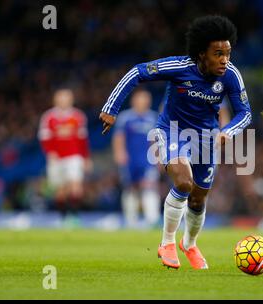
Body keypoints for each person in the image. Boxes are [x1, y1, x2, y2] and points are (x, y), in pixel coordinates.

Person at [99, 15, 252, 269]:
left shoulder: (231, 75)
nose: (225, 60)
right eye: (218, 53)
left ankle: (189, 244)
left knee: (198, 199)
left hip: (206, 139)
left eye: (227, 53)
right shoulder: (179, 66)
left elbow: (244, 112)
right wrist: (111, 107)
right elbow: (137, 72)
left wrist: (228, 131)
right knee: (183, 182)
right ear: (202, 53)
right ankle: (167, 242)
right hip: (172, 131)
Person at [38, 88, 92, 224]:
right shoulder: (48, 117)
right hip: (56, 158)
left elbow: (83, 139)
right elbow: (44, 138)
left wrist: (85, 158)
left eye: (66, 98)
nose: (64, 100)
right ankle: (63, 217)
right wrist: (50, 152)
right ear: (55, 100)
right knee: (60, 191)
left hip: (74, 156)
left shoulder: (78, 116)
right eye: (61, 98)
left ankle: (74, 217)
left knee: (76, 185)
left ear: (71, 100)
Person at [112, 88, 160, 228]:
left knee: (149, 187)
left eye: (145, 99)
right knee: (130, 188)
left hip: (148, 160)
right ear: (134, 101)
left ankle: (152, 219)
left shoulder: (153, 117)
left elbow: (157, 140)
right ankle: (130, 220)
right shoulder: (125, 117)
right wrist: (119, 152)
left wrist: (159, 157)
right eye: (140, 99)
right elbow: (119, 137)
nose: (143, 102)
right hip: (130, 159)